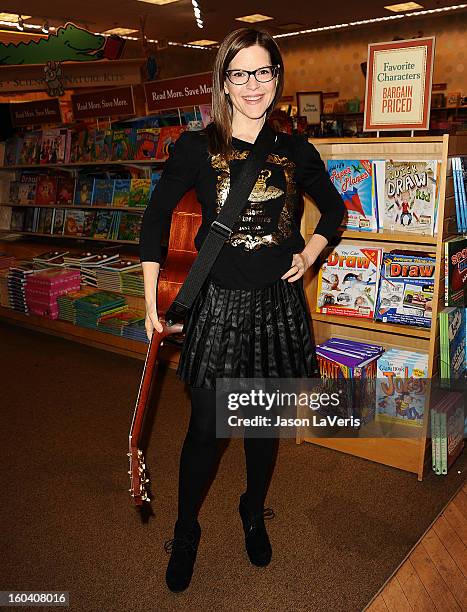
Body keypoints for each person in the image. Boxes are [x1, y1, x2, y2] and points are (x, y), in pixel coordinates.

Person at [139, 27, 345, 592]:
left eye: (263, 72)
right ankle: (185, 529)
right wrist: (150, 296)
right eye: (240, 73)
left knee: (261, 430)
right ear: (223, 82)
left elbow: (333, 212)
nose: (252, 85)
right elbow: (154, 220)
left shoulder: (297, 152)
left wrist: (308, 253)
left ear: (276, 79)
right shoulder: (194, 147)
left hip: (277, 309)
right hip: (220, 310)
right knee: (206, 430)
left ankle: (252, 510)